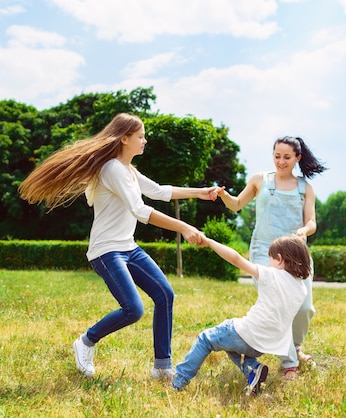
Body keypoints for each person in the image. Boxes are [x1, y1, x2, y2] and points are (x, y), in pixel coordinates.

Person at [18, 113, 220, 379]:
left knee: (164, 294)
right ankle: (86, 341)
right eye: (140, 136)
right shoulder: (111, 168)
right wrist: (183, 227)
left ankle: (162, 367)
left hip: (128, 247)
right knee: (133, 309)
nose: (145, 141)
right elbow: (140, 209)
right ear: (124, 138)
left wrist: (200, 192)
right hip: (106, 250)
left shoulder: (128, 170)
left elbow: (158, 191)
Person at [217, 136, 327, 379]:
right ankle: (289, 363)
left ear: (297, 158)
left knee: (304, 308)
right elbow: (236, 205)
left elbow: (312, 222)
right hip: (264, 251)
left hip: (296, 252)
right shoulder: (260, 180)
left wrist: (304, 231)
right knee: (279, 304)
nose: (281, 161)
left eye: (287, 157)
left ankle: (295, 346)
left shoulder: (305, 188)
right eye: (277, 156)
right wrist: (223, 195)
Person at [171, 234, 311, 395]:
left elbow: (236, 259)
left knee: (206, 339)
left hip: (246, 334)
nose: (269, 264)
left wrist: (209, 242)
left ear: (279, 259)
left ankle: (178, 380)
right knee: (231, 345)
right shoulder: (302, 289)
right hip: (263, 345)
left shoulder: (272, 274)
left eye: (270, 259)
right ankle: (253, 370)